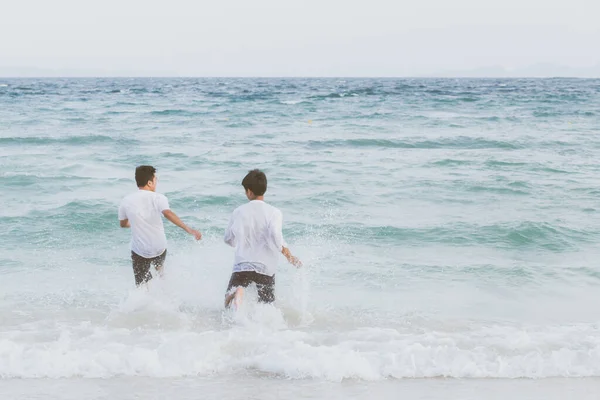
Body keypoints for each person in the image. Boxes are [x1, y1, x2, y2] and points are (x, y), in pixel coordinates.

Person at [223, 169, 301, 308]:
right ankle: (259, 328)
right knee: (266, 307)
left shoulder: (238, 211)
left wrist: (241, 242)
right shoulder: (274, 212)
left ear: (249, 191)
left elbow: (228, 239)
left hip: (242, 266)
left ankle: (238, 292)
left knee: (227, 302)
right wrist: (289, 256)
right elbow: (276, 236)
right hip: (265, 268)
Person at [118, 165, 202, 286]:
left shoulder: (126, 200)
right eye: (155, 181)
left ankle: (145, 299)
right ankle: (164, 289)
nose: (156, 184)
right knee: (160, 273)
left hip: (140, 250)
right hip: (159, 247)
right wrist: (189, 229)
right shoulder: (158, 197)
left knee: (142, 285)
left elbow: (123, 224)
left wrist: (136, 221)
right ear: (149, 183)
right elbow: (167, 213)